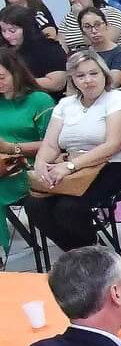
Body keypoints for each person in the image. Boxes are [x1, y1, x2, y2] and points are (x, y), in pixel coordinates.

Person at [23, 51, 121, 253]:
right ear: (73, 79)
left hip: (118, 165)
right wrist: (41, 164)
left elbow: (114, 145)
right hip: (76, 170)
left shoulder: (117, 99)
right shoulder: (65, 104)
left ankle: (96, 259)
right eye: (80, 76)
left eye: (93, 73)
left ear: (104, 74)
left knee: (69, 207)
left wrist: (70, 166)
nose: (88, 80)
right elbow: (51, 145)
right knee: (34, 205)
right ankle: (84, 254)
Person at [0, 50, 53, 247]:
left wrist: (11, 148)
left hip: (29, 166)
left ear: (16, 72)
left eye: (1, 77)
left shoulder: (39, 100)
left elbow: (53, 144)